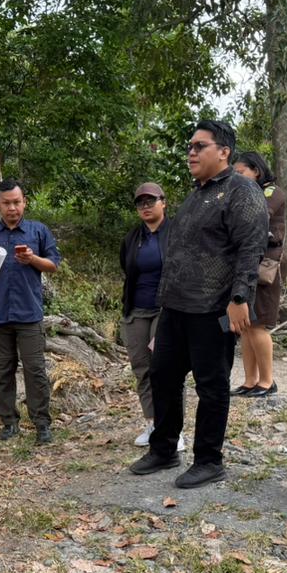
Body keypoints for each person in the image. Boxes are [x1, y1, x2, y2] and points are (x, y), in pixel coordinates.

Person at [128, 119, 268, 489]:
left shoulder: (242, 192)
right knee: (163, 376)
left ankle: (209, 459)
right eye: (189, 146)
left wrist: (240, 298)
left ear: (223, 152)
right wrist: (163, 307)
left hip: (214, 309)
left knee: (212, 384)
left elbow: (250, 249)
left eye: (199, 146)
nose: (191, 152)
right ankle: (165, 448)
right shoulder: (196, 195)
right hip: (176, 308)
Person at [0, 179, 61, 444]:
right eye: (7, 203)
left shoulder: (38, 231)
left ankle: (42, 425)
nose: (12, 208)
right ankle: (9, 423)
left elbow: (53, 264)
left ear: (24, 202)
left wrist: (32, 260)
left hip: (29, 314)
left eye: (17, 202)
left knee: (35, 371)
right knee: (2, 372)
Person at [119, 183, 183, 451]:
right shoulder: (133, 237)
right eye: (140, 203)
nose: (145, 206)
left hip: (166, 309)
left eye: (151, 201)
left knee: (166, 369)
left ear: (163, 202)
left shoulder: (177, 233)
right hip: (136, 311)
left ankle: (173, 429)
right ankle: (153, 423)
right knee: (142, 369)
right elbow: (127, 268)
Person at [231, 151, 286, 398]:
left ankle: (267, 381)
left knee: (259, 325)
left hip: (266, 269)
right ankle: (250, 380)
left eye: (241, 173)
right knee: (246, 326)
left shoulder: (271, 192)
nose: (237, 178)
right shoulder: (244, 194)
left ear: (257, 171)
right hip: (247, 267)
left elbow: (258, 215)